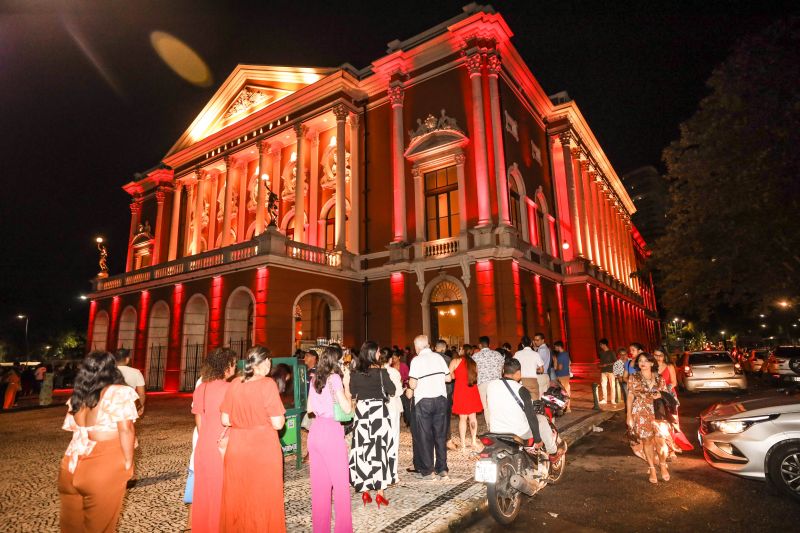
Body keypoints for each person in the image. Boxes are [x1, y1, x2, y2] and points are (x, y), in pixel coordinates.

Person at [58, 352, 138, 532]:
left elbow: (75, 429)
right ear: (112, 369)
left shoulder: (78, 396)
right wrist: (128, 463)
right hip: (102, 464)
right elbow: (126, 429)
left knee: (71, 527)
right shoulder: (118, 392)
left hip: (70, 465)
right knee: (100, 527)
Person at [219, 346, 286, 531]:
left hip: (238, 447)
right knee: (263, 497)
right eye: (268, 361)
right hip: (262, 449)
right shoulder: (267, 384)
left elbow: (225, 419)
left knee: (239, 495)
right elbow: (278, 423)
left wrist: (243, 420)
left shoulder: (234, 383)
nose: (269, 365)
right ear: (263, 362)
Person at [307, 346, 353, 533]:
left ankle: (321, 529)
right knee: (341, 485)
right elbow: (347, 409)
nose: (343, 363)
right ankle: (343, 529)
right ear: (336, 361)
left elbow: (309, 408)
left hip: (315, 431)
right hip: (331, 432)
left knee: (320, 488)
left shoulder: (315, 378)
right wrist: (347, 385)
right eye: (342, 360)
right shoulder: (335, 379)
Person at [191, 348, 237, 533]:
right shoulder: (230, 388)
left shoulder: (201, 387)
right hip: (224, 443)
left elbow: (199, 418)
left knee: (204, 491)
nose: (235, 366)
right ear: (226, 366)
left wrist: (206, 438)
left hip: (204, 443)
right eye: (233, 363)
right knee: (222, 491)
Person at [348, 341, 396, 506]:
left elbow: (353, 393)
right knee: (379, 449)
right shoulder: (381, 372)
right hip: (378, 413)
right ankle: (380, 493)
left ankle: (365, 491)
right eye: (377, 352)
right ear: (372, 354)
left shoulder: (354, 373)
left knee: (362, 450)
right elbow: (392, 391)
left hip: (362, 413)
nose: (379, 354)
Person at [485, 358, 558, 457]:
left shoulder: (491, 385)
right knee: (540, 419)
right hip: (518, 432)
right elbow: (531, 416)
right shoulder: (521, 389)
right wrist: (538, 439)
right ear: (518, 372)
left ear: (503, 371)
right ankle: (553, 452)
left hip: (495, 429)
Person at [408, 335, 452, 480]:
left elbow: (413, 384)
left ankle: (428, 470)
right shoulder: (439, 358)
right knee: (440, 435)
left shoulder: (417, 360)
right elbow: (448, 378)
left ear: (418, 347)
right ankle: (442, 468)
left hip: (424, 401)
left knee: (425, 436)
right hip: (440, 399)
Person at [626, 352, 670, 484]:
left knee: (661, 442)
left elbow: (665, 394)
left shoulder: (659, 378)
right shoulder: (634, 377)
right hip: (641, 412)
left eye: (646, 360)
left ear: (652, 363)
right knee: (647, 441)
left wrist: (660, 395)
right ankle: (651, 468)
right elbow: (630, 396)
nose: (643, 363)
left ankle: (662, 464)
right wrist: (629, 415)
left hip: (657, 412)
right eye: (640, 361)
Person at [448, 344, 482, 453]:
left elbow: (449, 376)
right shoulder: (474, 363)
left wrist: (456, 376)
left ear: (462, 350)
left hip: (461, 390)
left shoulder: (455, 361)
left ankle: (463, 444)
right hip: (472, 390)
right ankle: (473, 441)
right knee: (473, 417)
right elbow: (476, 375)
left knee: (462, 418)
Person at [382, 347, 404, 482]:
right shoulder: (393, 372)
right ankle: (392, 473)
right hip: (392, 408)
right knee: (393, 440)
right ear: (390, 359)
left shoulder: (373, 371)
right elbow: (397, 392)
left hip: (378, 408)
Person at [472, 336, 505, 425]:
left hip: (482, 383)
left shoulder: (475, 356)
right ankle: (499, 425)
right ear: (489, 344)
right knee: (496, 405)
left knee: (486, 407)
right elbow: (502, 370)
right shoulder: (497, 354)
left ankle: (490, 427)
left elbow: (474, 371)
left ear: (479, 345)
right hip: (496, 383)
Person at [115, 349, 146, 416]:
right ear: (127, 359)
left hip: (110, 406)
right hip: (128, 406)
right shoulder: (136, 372)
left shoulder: (106, 372)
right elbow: (141, 394)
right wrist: (140, 406)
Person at [553, 341, 572, 413]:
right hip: (566, 374)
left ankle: (566, 408)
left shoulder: (560, 356)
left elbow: (560, 368)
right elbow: (569, 362)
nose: (555, 348)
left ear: (558, 346)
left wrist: (555, 367)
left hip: (561, 375)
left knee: (564, 392)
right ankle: (568, 407)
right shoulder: (566, 353)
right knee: (567, 391)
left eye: (555, 347)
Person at [532, 333, 552, 397]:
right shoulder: (545, 348)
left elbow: (538, 364)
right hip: (545, 375)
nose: (535, 341)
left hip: (541, 376)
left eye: (538, 340)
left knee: (540, 397)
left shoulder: (542, 349)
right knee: (544, 397)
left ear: (543, 340)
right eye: (535, 340)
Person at [598, 338, 616, 404]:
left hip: (611, 371)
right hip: (603, 371)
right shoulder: (601, 353)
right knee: (603, 385)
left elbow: (615, 362)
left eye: (601, 344)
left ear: (604, 344)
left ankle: (613, 400)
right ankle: (604, 399)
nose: (600, 346)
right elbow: (600, 362)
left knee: (612, 386)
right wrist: (601, 365)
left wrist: (607, 364)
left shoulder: (611, 352)